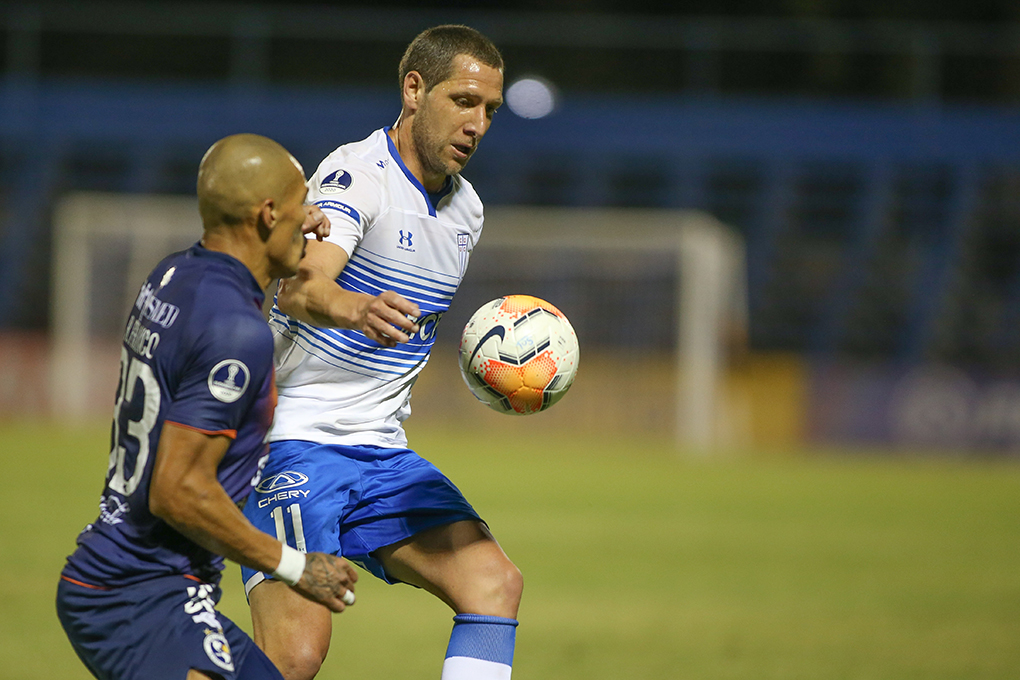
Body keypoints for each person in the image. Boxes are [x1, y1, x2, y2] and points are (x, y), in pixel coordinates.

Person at [240, 25, 519, 680]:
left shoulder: (467, 210)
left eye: (490, 110)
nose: (477, 124)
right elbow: (302, 285)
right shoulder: (355, 175)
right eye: (463, 101)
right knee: (294, 658)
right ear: (414, 90)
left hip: (382, 454)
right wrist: (352, 306)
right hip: (290, 443)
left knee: (493, 585)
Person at [56, 133, 361, 680]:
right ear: (267, 215)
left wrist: (288, 230)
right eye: (299, 209)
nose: (312, 223)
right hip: (142, 594)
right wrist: (295, 566)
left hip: (129, 575)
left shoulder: (173, 275)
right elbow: (178, 489)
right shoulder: (236, 334)